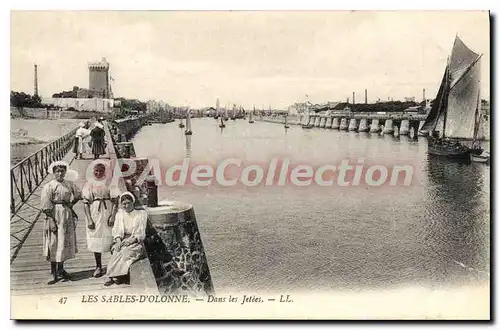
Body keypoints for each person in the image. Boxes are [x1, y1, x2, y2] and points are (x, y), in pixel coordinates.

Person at [40, 161, 81, 285]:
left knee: (63, 242)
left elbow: (78, 194)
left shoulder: (69, 184)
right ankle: (53, 272)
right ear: (53, 172)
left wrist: (71, 203)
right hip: (54, 214)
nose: (60, 173)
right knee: (54, 243)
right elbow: (46, 205)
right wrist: (51, 220)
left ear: (65, 172)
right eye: (57, 171)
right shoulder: (49, 186)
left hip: (66, 215)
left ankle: (61, 269)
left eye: (62, 171)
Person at [82, 163, 120, 277]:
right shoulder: (89, 184)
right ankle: (98, 266)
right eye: (96, 171)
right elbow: (85, 203)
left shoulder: (109, 183)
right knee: (96, 238)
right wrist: (89, 219)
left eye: (101, 171)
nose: (98, 173)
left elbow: (115, 201)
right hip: (95, 211)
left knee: (111, 236)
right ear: (93, 171)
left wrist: (113, 216)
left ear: (105, 171)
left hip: (107, 210)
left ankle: (114, 266)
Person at [104, 192, 147, 286]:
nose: (126, 206)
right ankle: (116, 275)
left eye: (129, 203)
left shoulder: (141, 214)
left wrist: (131, 240)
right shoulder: (120, 214)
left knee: (125, 252)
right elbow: (117, 230)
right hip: (122, 239)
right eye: (124, 204)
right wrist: (118, 241)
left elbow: (140, 233)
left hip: (135, 241)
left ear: (133, 203)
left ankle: (112, 276)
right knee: (117, 250)